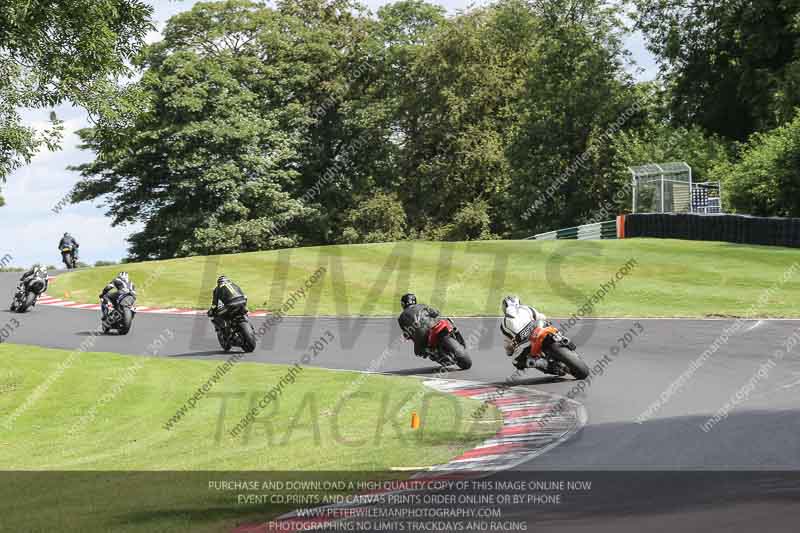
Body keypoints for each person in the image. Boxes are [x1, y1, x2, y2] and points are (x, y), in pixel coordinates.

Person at [500, 295, 563, 375]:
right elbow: (542, 317)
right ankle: (561, 338)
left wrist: (510, 351)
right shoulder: (526, 308)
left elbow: (508, 346)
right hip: (540, 331)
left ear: (504, 308)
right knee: (550, 327)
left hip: (527, 344)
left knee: (515, 361)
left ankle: (542, 363)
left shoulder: (504, 324)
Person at [397, 293, 441, 358]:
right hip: (434, 325)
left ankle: (434, 353)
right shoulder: (422, 305)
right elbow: (435, 313)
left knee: (418, 352)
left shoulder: (401, 317)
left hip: (422, 334)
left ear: (404, 303)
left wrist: (408, 336)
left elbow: (406, 333)